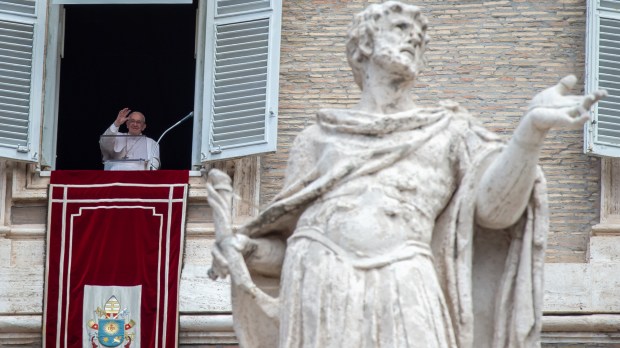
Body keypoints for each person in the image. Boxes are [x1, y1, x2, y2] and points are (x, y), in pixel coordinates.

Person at [206, 2, 607, 347]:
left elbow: (495, 213)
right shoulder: (316, 138)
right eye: (401, 28)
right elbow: (288, 243)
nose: (415, 38)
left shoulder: (448, 131)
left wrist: (530, 132)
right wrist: (249, 249)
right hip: (318, 281)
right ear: (365, 43)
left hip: (405, 282)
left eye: (420, 35)